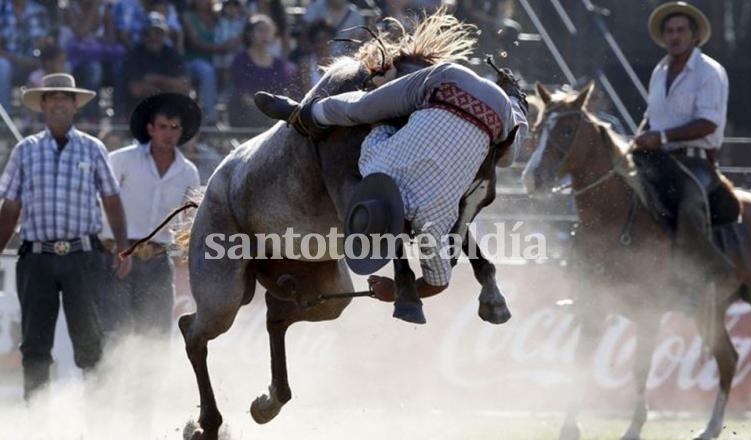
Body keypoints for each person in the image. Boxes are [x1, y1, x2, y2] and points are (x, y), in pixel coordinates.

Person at [255, 61, 528, 303]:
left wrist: (395, 290)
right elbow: (378, 125)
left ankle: (515, 102)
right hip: (452, 80)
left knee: (507, 154)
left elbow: (438, 282)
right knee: (362, 108)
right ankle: (305, 114)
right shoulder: (374, 167)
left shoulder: (431, 221)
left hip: (485, 106)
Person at [0, 73, 131, 400]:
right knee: (34, 342)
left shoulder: (92, 148)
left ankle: (97, 414)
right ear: (43, 104)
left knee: (89, 340)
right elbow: (10, 207)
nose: (59, 103)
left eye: (65, 97)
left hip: (83, 253)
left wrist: (123, 245)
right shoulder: (24, 150)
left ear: (75, 105)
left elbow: (111, 200)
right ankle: (37, 419)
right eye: (52, 97)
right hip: (36, 254)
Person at [633, 2, 733, 298]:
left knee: (689, 206)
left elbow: (709, 123)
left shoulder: (709, 72)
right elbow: (652, 115)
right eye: (669, 31)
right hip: (656, 159)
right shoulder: (659, 71)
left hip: (695, 163)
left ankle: (703, 275)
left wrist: (661, 136)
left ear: (694, 36)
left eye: (680, 30)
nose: (674, 36)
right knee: (619, 190)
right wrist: (640, 136)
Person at [100, 93, 201, 337]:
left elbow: (187, 225)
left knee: (156, 334)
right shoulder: (122, 160)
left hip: (157, 261)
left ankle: (150, 376)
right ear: (150, 129)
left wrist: (182, 260)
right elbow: (100, 201)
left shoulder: (189, 173)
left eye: (174, 127)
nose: (168, 133)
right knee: (114, 332)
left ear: (181, 131)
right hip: (118, 255)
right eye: (163, 127)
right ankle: (110, 377)